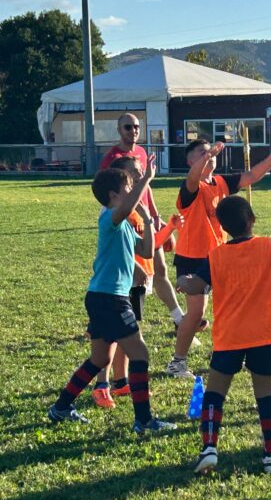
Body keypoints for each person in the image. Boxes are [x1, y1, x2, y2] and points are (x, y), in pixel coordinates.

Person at [178, 195, 271, 475]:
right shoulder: (269, 246)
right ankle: (270, 454)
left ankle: (209, 448)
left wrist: (183, 281)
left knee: (215, 392)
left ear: (223, 227)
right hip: (264, 334)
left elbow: (196, 285)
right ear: (252, 220)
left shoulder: (217, 255)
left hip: (229, 337)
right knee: (265, 391)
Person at [48, 156, 176, 433]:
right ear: (113, 196)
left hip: (103, 297)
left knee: (100, 359)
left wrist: (148, 221)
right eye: (129, 187)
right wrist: (146, 179)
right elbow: (126, 206)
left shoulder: (126, 224)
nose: (133, 192)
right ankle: (143, 420)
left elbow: (145, 251)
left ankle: (61, 407)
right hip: (109, 299)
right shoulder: (109, 217)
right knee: (140, 354)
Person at [166, 130, 271, 379]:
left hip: (220, 256)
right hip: (192, 257)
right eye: (201, 154)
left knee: (232, 308)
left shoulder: (221, 183)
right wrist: (207, 156)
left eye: (210, 152)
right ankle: (177, 363)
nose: (209, 155)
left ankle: (237, 353)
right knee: (196, 313)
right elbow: (193, 179)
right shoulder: (191, 187)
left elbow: (252, 175)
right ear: (190, 162)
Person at [91, 156, 183, 409]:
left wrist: (156, 224)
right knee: (114, 344)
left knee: (118, 341)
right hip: (112, 290)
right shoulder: (112, 212)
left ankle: (118, 384)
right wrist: (147, 180)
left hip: (128, 287)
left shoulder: (132, 212)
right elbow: (114, 248)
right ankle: (105, 387)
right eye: (134, 177)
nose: (138, 182)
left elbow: (145, 249)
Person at [100, 113, 188, 329]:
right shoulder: (113, 157)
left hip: (145, 217)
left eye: (137, 126)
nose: (133, 131)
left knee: (160, 269)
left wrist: (155, 216)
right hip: (128, 218)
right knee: (132, 273)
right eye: (128, 127)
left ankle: (179, 319)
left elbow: (145, 186)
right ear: (119, 129)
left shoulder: (140, 152)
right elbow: (107, 192)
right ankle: (112, 323)